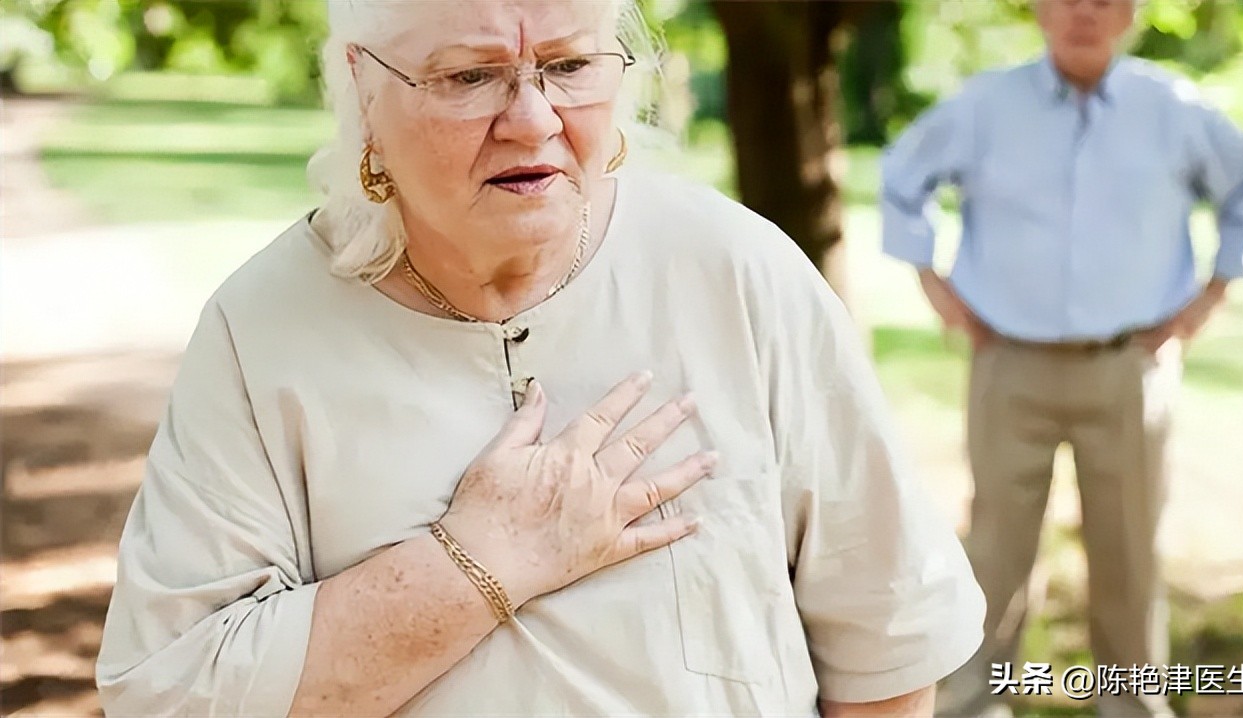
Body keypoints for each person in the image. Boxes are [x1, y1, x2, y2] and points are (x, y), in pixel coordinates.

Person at [95, 0, 986, 715]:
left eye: (567, 66)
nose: (532, 119)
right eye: (470, 75)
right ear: (365, 89)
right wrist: (474, 563)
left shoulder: (736, 271)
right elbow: (172, 690)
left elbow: (888, 637)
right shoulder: (263, 329)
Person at [880, 0, 1243, 716]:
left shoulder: (1174, 109)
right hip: (1009, 366)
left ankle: (1129, 706)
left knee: (1129, 551)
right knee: (994, 549)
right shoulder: (984, 107)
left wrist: (1214, 293)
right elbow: (901, 179)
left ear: (1133, 13)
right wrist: (933, 283)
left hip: (1131, 369)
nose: (1085, 12)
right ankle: (974, 703)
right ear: (1039, 10)